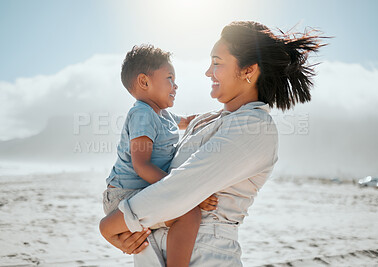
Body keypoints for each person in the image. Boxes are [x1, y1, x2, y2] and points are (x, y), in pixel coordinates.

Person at [100, 21, 324, 266]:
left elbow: (180, 187)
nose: (208, 72)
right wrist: (125, 230)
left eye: (217, 63)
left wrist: (110, 226)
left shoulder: (253, 126)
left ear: (249, 70)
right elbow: (163, 177)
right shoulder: (208, 120)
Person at [102, 44, 218, 267]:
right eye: (170, 78)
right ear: (145, 82)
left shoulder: (163, 114)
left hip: (142, 191)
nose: (176, 85)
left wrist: (222, 115)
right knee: (189, 212)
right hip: (123, 196)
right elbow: (142, 166)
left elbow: (189, 121)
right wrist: (186, 192)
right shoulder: (142, 114)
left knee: (186, 212)